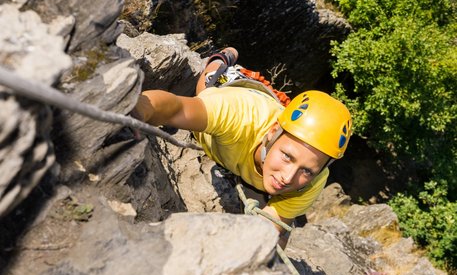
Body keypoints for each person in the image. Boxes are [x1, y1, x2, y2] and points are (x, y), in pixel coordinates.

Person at [133, 47, 352, 245]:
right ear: (273, 133)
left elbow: (273, 228)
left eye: (306, 170)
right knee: (206, 84)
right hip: (237, 90)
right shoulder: (239, 114)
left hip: (271, 109)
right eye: (287, 156)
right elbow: (175, 108)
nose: (288, 177)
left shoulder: (312, 182)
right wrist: (138, 110)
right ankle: (224, 56)